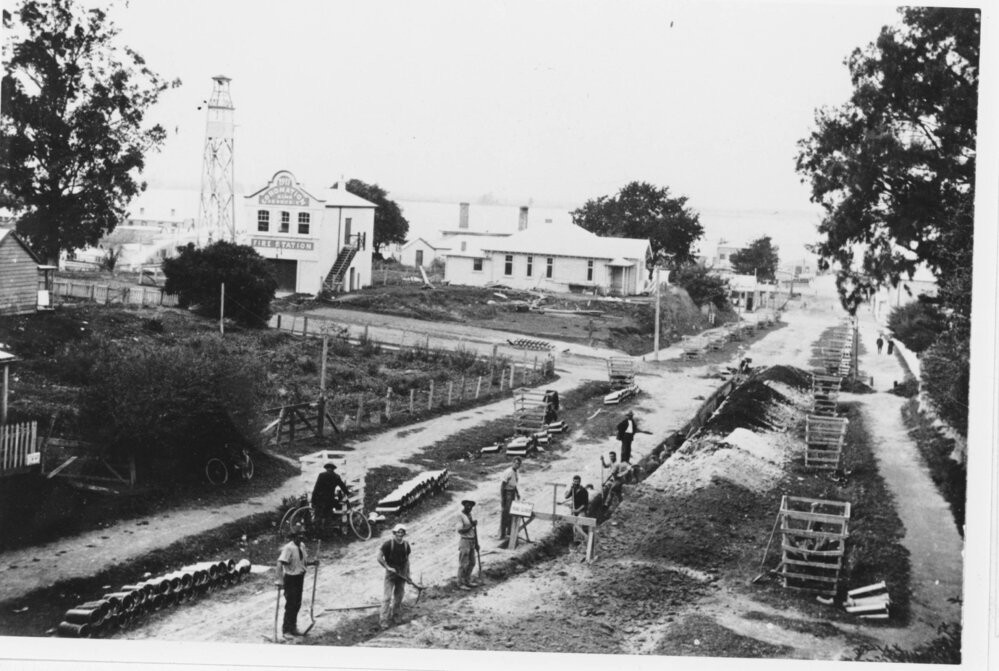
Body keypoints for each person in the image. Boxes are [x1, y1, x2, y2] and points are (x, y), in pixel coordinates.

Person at [275, 523, 316, 638]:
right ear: (293, 536)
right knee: (290, 605)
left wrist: (313, 563)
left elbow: (302, 562)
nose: (301, 537)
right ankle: (286, 631)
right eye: (299, 535)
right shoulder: (289, 548)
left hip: (299, 578)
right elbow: (279, 563)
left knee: (297, 604)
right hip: (291, 579)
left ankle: (293, 628)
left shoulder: (302, 545)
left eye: (302, 534)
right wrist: (280, 580)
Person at [377, 523, 411, 629]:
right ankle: (383, 620)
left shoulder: (406, 545)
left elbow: (407, 561)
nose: (400, 534)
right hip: (391, 575)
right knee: (387, 597)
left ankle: (396, 616)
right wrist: (387, 567)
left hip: (401, 574)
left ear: (404, 534)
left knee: (399, 596)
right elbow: (379, 557)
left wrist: (408, 575)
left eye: (402, 532)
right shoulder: (388, 544)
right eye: (398, 532)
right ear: (394, 533)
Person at [312, 463, 350, 533]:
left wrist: (313, 500)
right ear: (333, 469)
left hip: (320, 499)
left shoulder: (321, 475)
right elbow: (342, 486)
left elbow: (316, 488)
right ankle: (327, 534)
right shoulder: (336, 476)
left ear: (326, 468)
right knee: (328, 517)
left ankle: (317, 534)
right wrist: (348, 493)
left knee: (318, 517)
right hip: (330, 499)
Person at [456, 500, 479, 589]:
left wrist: (476, 543)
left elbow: (473, 531)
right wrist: (471, 525)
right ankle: (460, 583)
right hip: (465, 541)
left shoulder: (470, 515)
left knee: (472, 562)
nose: (469, 507)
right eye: (467, 505)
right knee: (463, 563)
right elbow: (460, 530)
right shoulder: (460, 516)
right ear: (464, 505)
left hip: (472, 541)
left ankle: (467, 580)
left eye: (471, 506)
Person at [499, 457, 522, 539]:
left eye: (519, 464)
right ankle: (502, 534)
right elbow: (503, 486)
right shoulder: (508, 472)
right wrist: (503, 499)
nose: (517, 465)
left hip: (512, 493)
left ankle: (509, 531)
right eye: (516, 463)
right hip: (507, 493)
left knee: (511, 513)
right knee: (505, 513)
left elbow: (514, 484)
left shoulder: (516, 472)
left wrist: (517, 493)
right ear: (513, 463)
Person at [563, 475, 590, 544]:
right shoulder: (573, 489)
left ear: (580, 482)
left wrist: (577, 510)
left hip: (582, 510)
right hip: (574, 510)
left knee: (578, 524)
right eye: (575, 481)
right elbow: (566, 497)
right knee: (575, 527)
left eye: (577, 482)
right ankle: (577, 541)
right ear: (573, 482)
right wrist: (570, 489)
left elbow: (585, 504)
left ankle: (585, 537)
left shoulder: (584, 490)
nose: (576, 483)